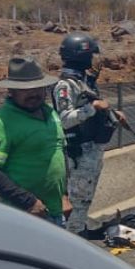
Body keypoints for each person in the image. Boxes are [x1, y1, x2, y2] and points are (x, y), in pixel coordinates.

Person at [0, 56, 71, 226]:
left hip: (55, 212)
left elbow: (60, 152)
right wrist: (28, 202)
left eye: (37, 88)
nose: (33, 93)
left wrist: (64, 194)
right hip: (22, 217)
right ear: (11, 91)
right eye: (25, 89)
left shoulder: (50, 113)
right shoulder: (0, 122)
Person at [53, 32, 127, 235]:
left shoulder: (83, 82)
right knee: (76, 200)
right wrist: (93, 107)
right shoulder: (65, 85)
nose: (93, 59)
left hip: (91, 151)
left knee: (85, 198)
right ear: (81, 56)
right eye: (90, 55)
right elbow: (64, 119)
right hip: (78, 153)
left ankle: (80, 229)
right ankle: (73, 238)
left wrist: (112, 114)